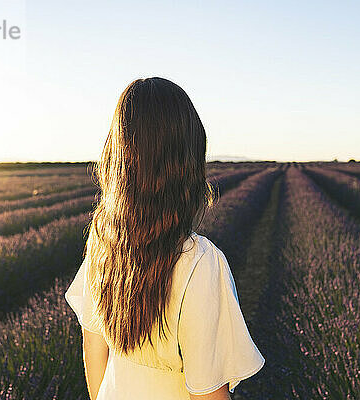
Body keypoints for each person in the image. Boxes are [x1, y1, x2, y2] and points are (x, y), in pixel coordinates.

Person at [65, 77, 264, 400]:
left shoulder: (104, 242)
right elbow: (207, 392)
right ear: (187, 160)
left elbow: (94, 349)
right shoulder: (199, 262)